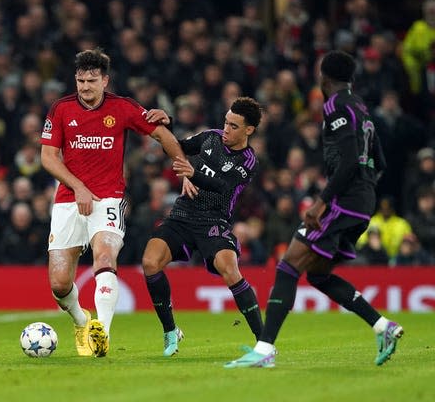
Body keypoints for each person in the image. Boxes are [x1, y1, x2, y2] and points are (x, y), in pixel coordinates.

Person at [225, 50, 403, 369]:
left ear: (323, 77)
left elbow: (348, 161)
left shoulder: (336, 106)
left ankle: (264, 349)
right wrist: (364, 190)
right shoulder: (363, 108)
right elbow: (381, 162)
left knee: (288, 265)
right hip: (363, 201)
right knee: (319, 275)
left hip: (343, 201)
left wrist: (323, 201)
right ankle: (382, 326)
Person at [40, 48, 186, 357]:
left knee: (105, 256)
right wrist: (78, 187)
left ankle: (100, 335)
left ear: (105, 81)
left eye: (92, 81)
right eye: (80, 80)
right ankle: (82, 320)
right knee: (58, 283)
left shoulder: (123, 108)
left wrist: (183, 168)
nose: (85, 87)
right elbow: (48, 157)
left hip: (108, 198)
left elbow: (162, 134)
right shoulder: (61, 109)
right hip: (68, 199)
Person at [142, 97, 264, 356]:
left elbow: (223, 186)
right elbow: (179, 147)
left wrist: (192, 174)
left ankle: (264, 343)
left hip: (214, 220)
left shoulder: (248, 160)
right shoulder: (211, 137)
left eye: (233, 126)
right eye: (226, 123)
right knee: (151, 262)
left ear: (249, 130)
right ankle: (170, 331)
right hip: (183, 214)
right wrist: (168, 124)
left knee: (229, 269)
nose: (226, 130)